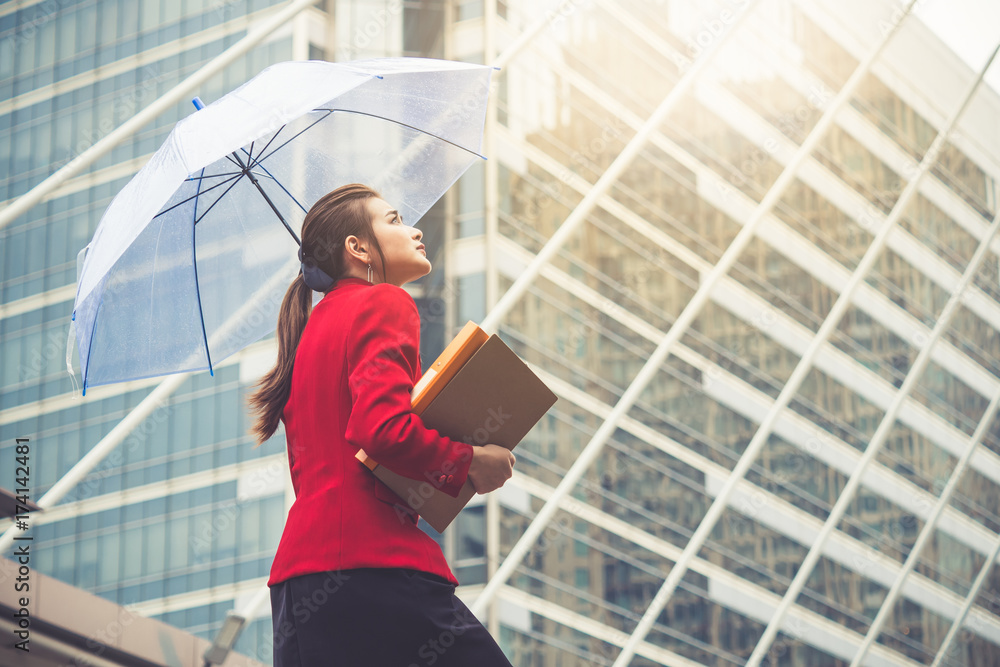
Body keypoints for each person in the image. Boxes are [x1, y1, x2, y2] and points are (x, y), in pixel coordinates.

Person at [246, 184, 516, 666]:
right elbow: (381, 429)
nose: (413, 230)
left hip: (298, 585)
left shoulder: (308, 335)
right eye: (393, 220)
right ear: (357, 247)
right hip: (375, 567)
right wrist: (470, 461)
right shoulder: (384, 303)